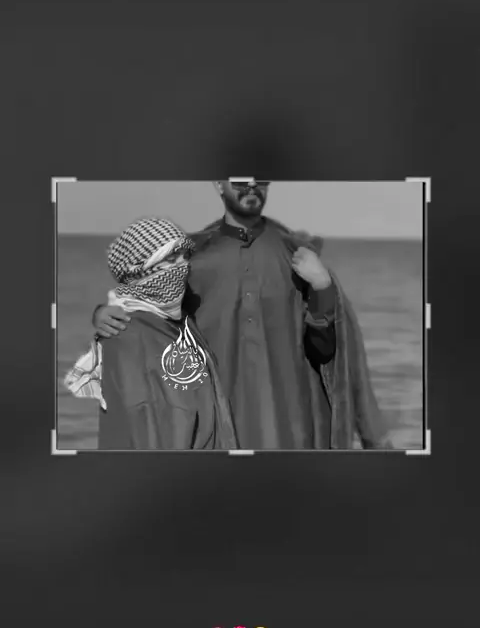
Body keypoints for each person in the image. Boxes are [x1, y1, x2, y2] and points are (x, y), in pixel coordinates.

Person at [93, 182, 392, 450]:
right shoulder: (193, 258)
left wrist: (323, 287)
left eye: (260, 178)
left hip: (291, 428)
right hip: (215, 427)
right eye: (239, 180)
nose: (251, 186)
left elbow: (327, 351)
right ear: (219, 184)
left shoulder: (298, 256)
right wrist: (103, 315)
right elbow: (149, 318)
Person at [64, 216, 238, 450]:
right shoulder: (127, 337)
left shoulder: (181, 324)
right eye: (171, 259)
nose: (182, 267)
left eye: (185, 257)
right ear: (140, 271)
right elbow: (147, 428)